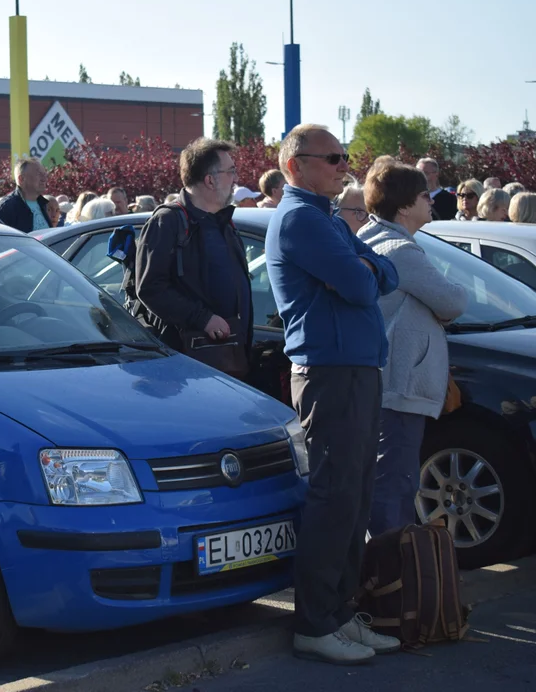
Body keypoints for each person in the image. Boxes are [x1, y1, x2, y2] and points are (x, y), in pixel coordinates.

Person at [264, 124, 400, 665]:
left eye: (346, 156)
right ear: (296, 164)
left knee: (355, 496)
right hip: (330, 371)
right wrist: (365, 269)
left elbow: (384, 273)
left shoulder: (323, 216)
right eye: (333, 157)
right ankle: (316, 621)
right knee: (335, 496)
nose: (345, 165)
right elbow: (367, 285)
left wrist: (365, 266)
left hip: (355, 369)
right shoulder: (300, 217)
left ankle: (340, 612)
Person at [357, 162, 468, 536]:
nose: (430, 200)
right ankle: (393, 586)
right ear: (403, 206)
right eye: (423, 195)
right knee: (394, 490)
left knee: (386, 486)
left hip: (382, 383)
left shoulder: (370, 238)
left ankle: (383, 581)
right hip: (400, 388)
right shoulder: (401, 250)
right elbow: (452, 301)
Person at [133, 137, 253, 375]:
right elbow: (150, 288)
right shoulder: (167, 222)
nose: (236, 179)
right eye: (230, 171)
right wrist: (203, 318)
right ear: (210, 180)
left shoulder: (224, 223)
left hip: (230, 357)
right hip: (190, 365)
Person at [0, 158, 52, 232]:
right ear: (21, 179)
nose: (44, 179)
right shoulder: (5, 208)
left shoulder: (43, 204)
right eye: (38, 174)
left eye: (44, 174)